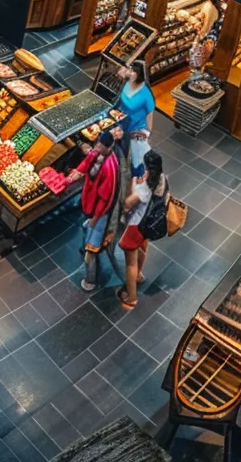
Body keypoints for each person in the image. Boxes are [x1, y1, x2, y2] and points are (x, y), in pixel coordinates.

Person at [66, 132, 126, 292]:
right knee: (86, 228)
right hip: (90, 204)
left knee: (90, 253)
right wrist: (75, 174)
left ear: (109, 147)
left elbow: (105, 199)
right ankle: (88, 242)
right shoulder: (97, 152)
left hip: (102, 214)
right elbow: (87, 163)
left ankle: (90, 280)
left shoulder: (110, 167)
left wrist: (96, 218)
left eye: (101, 146)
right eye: (98, 144)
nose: (97, 147)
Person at [117, 150, 164, 309]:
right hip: (150, 224)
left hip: (136, 225)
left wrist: (134, 185)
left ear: (148, 168)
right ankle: (139, 274)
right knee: (143, 247)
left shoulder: (144, 187)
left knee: (130, 262)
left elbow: (128, 203)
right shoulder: (163, 179)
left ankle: (131, 297)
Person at [113, 60, 155, 157]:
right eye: (131, 71)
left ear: (139, 75)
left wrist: (147, 133)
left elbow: (150, 115)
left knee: (128, 153)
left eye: (133, 72)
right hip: (120, 121)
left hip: (134, 130)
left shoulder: (146, 94)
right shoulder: (126, 83)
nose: (130, 74)